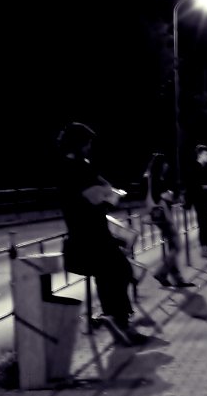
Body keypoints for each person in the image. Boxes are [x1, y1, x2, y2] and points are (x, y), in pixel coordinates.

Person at [56, 121, 148, 347]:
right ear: (79, 144)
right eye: (86, 143)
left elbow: (96, 191)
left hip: (79, 233)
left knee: (107, 275)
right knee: (122, 270)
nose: (89, 147)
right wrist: (110, 195)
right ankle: (119, 322)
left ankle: (113, 318)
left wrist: (105, 191)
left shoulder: (67, 166)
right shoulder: (78, 168)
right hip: (93, 232)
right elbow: (98, 197)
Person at [143, 152, 193, 287]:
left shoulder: (153, 178)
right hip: (165, 217)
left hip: (162, 217)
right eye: (164, 164)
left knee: (173, 245)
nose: (167, 166)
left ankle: (174, 277)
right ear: (160, 165)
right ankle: (160, 272)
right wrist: (172, 195)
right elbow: (163, 197)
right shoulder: (157, 180)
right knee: (177, 245)